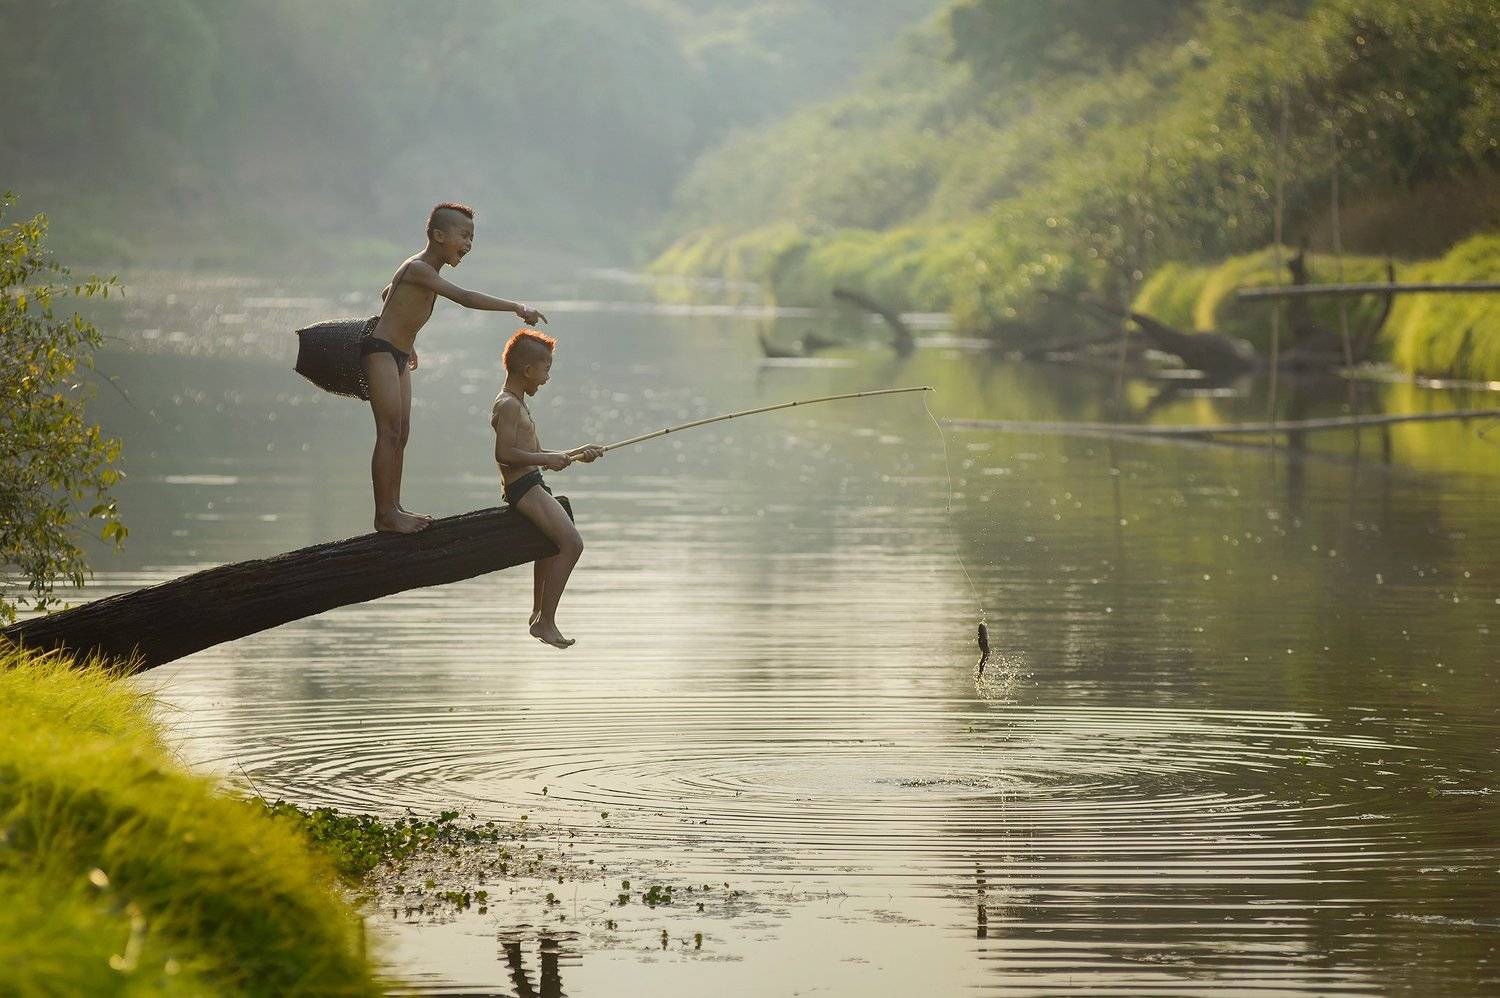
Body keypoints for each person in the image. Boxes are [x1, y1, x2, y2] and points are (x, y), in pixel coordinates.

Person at [365, 202, 549, 533]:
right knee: (389, 431)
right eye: (463, 236)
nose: (468, 244)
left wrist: (408, 339)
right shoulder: (420, 268)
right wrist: (516, 307)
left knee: (402, 433)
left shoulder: (423, 274)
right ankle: (385, 514)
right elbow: (465, 297)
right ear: (438, 235)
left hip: (398, 353)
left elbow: (387, 293)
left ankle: (395, 506)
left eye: (472, 238)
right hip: (380, 352)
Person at [491, 329, 604, 648]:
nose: (546, 378)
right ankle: (546, 621)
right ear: (528, 370)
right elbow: (504, 453)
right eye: (546, 371)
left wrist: (577, 453)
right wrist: (547, 459)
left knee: (551, 544)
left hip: (532, 482)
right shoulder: (508, 405)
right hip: (523, 488)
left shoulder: (517, 402)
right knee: (572, 543)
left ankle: (538, 612)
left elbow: (533, 452)